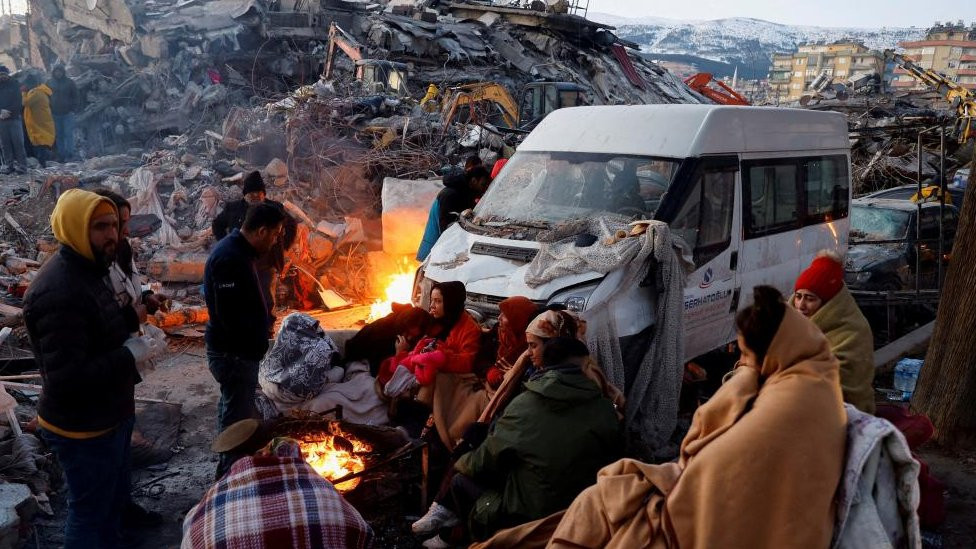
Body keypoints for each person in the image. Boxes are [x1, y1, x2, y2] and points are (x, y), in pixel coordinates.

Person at [494, 286, 846, 549]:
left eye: (746, 354)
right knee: (600, 497)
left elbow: (711, 460)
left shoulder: (784, 402)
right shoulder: (813, 378)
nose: (743, 363)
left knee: (599, 508)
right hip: (706, 487)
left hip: (709, 512)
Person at [24, 189, 167, 548]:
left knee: (109, 503)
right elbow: (68, 379)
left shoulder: (90, 268)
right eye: (100, 227)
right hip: (82, 429)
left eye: (114, 226)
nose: (113, 235)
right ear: (74, 229)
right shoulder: (58, 292)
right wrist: (128, 354)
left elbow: (98, 327)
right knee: (88, 514)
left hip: (108, 413)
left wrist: (129, 325)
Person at [414, 336, 622, 547]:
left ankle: (462, 534)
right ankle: (447, 525)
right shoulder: (605, 408)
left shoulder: (527, 403)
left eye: (534, 345)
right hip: (583, 505)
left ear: (548, 362)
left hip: (531, 512)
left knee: (461, 479)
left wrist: (460, 463)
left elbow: (486, 459)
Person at [204, 202, 286, 478]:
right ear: (262, 231)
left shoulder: (240, 252)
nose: (275, 241)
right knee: (237, 418)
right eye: (275, 235)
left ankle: (226, 469)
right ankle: (229, 479)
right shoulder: (230, 258)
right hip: (234, 355)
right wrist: (248, 347)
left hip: (239, 354)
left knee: (231, 408)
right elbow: (229, 317)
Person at [182, 438, 373, 549]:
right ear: (296, 461)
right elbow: (364, 534)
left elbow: (190, 536)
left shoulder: (212, 499)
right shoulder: (326, 494)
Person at [792, 251, 876, 414]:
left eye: (810, 299)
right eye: (798, 296)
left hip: (843, 414)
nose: (801, 305)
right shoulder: (788, 322)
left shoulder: (853, 331)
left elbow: (838, 384)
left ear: (828, 303)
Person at [211, 170, 297, 311]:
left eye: (259, 194)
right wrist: (226, 245)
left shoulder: (274, 208)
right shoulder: (234, 209)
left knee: (266, 300)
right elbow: (217, 225)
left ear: (264, 193)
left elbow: (291, 224)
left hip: (266, 264)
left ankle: (267, 329)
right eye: (252, 194)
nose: (256, 197)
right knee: (242, 300)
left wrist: (283, 246)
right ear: (245, 195)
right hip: (240, 263)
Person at [381, 281, 481, 396]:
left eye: (438, 301)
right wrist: (402, 352)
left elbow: (467, 362)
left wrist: (440, 356)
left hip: (449, 378)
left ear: (451, 303)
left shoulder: (470, 329)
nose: (432, 306)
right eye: (432, 300)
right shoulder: (436, 320)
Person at [92, 189, 167, 322]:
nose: (127, 230)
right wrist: (131, 319)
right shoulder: (85, 266)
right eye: (119, 224)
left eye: (127, 222)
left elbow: (122, 290)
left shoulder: (121, 248)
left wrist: (145, 298)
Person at [416, 157, 489, 261]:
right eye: (482, 184)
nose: (484, 189)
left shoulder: (465, 192)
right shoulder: (451, 195)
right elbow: (446, 228)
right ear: (473, 181)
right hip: (435, 246)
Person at [343, 303, 433, 377]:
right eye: (408, 333)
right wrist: (400, 353)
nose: (409, 338)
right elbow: (378, 372)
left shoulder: (407, 334)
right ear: (403, 326)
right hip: (358, 358)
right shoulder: (383, 332)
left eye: (414, 336)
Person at [22, 74, 56, 168]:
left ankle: (44, 164)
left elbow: (25, 102)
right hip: (40, 122)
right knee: (41, 143)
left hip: (40, 123)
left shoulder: (37, 92)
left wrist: (24, 92)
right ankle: (44, 163)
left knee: (41, 143)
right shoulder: (39, 91)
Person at [47, 64, 80, 162]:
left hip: (67, 113)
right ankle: (62, 155)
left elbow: (76, 96)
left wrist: (73, 109)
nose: (58, 73)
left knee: (68, 134)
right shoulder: (49, 83)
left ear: (63, 72)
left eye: (60, 71)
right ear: (53, 72)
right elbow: (45, 97)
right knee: (59, 135)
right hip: (55, 114)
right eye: (56, 71)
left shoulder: (69, 82)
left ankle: (70, 154)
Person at [0, 65, 28, 173]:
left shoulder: (15, 85)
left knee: (18, 143)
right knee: (5, 144)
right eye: (0, 75)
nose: (2, 77)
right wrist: (1, 111)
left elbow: (18, 102)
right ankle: (9, 165)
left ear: (8, 75)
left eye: (4, 74)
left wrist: (8, 112)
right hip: (1, 120)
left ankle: (22, 166)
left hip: (14, 118)